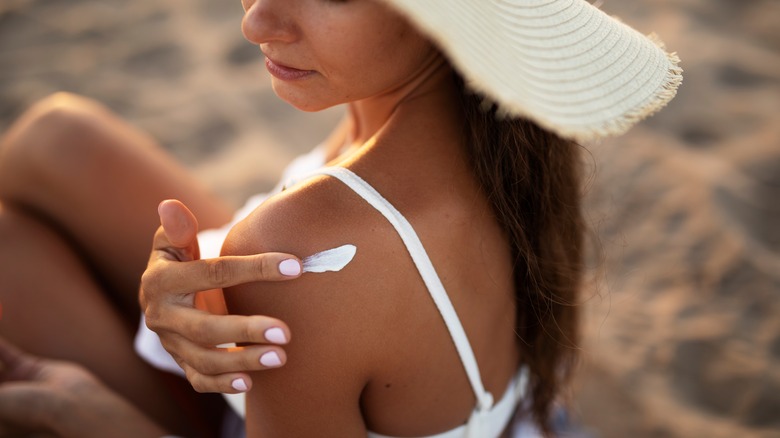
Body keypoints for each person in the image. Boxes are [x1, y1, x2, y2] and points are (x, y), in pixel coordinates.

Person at [0, 0, 681, 437]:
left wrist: (92, 420)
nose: (256, 21)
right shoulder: (482, 127)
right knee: (56, 137)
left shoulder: (306, 252)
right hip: (453, 400)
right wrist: (189, 289)